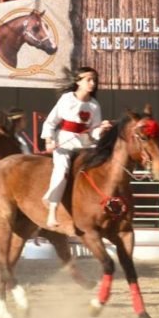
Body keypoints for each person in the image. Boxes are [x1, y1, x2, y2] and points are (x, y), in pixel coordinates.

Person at [41, 67, 112, 228]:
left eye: (94, 80)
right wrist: (48, 140)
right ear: (78, 81)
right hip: (64, 142)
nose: (92, 83)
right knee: (62, 170)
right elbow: (50, 122)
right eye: (89, 79)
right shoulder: (67, 99)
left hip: (86, 145)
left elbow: (94, 132)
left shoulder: (94, 105)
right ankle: (52, 211)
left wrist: (102, 128)